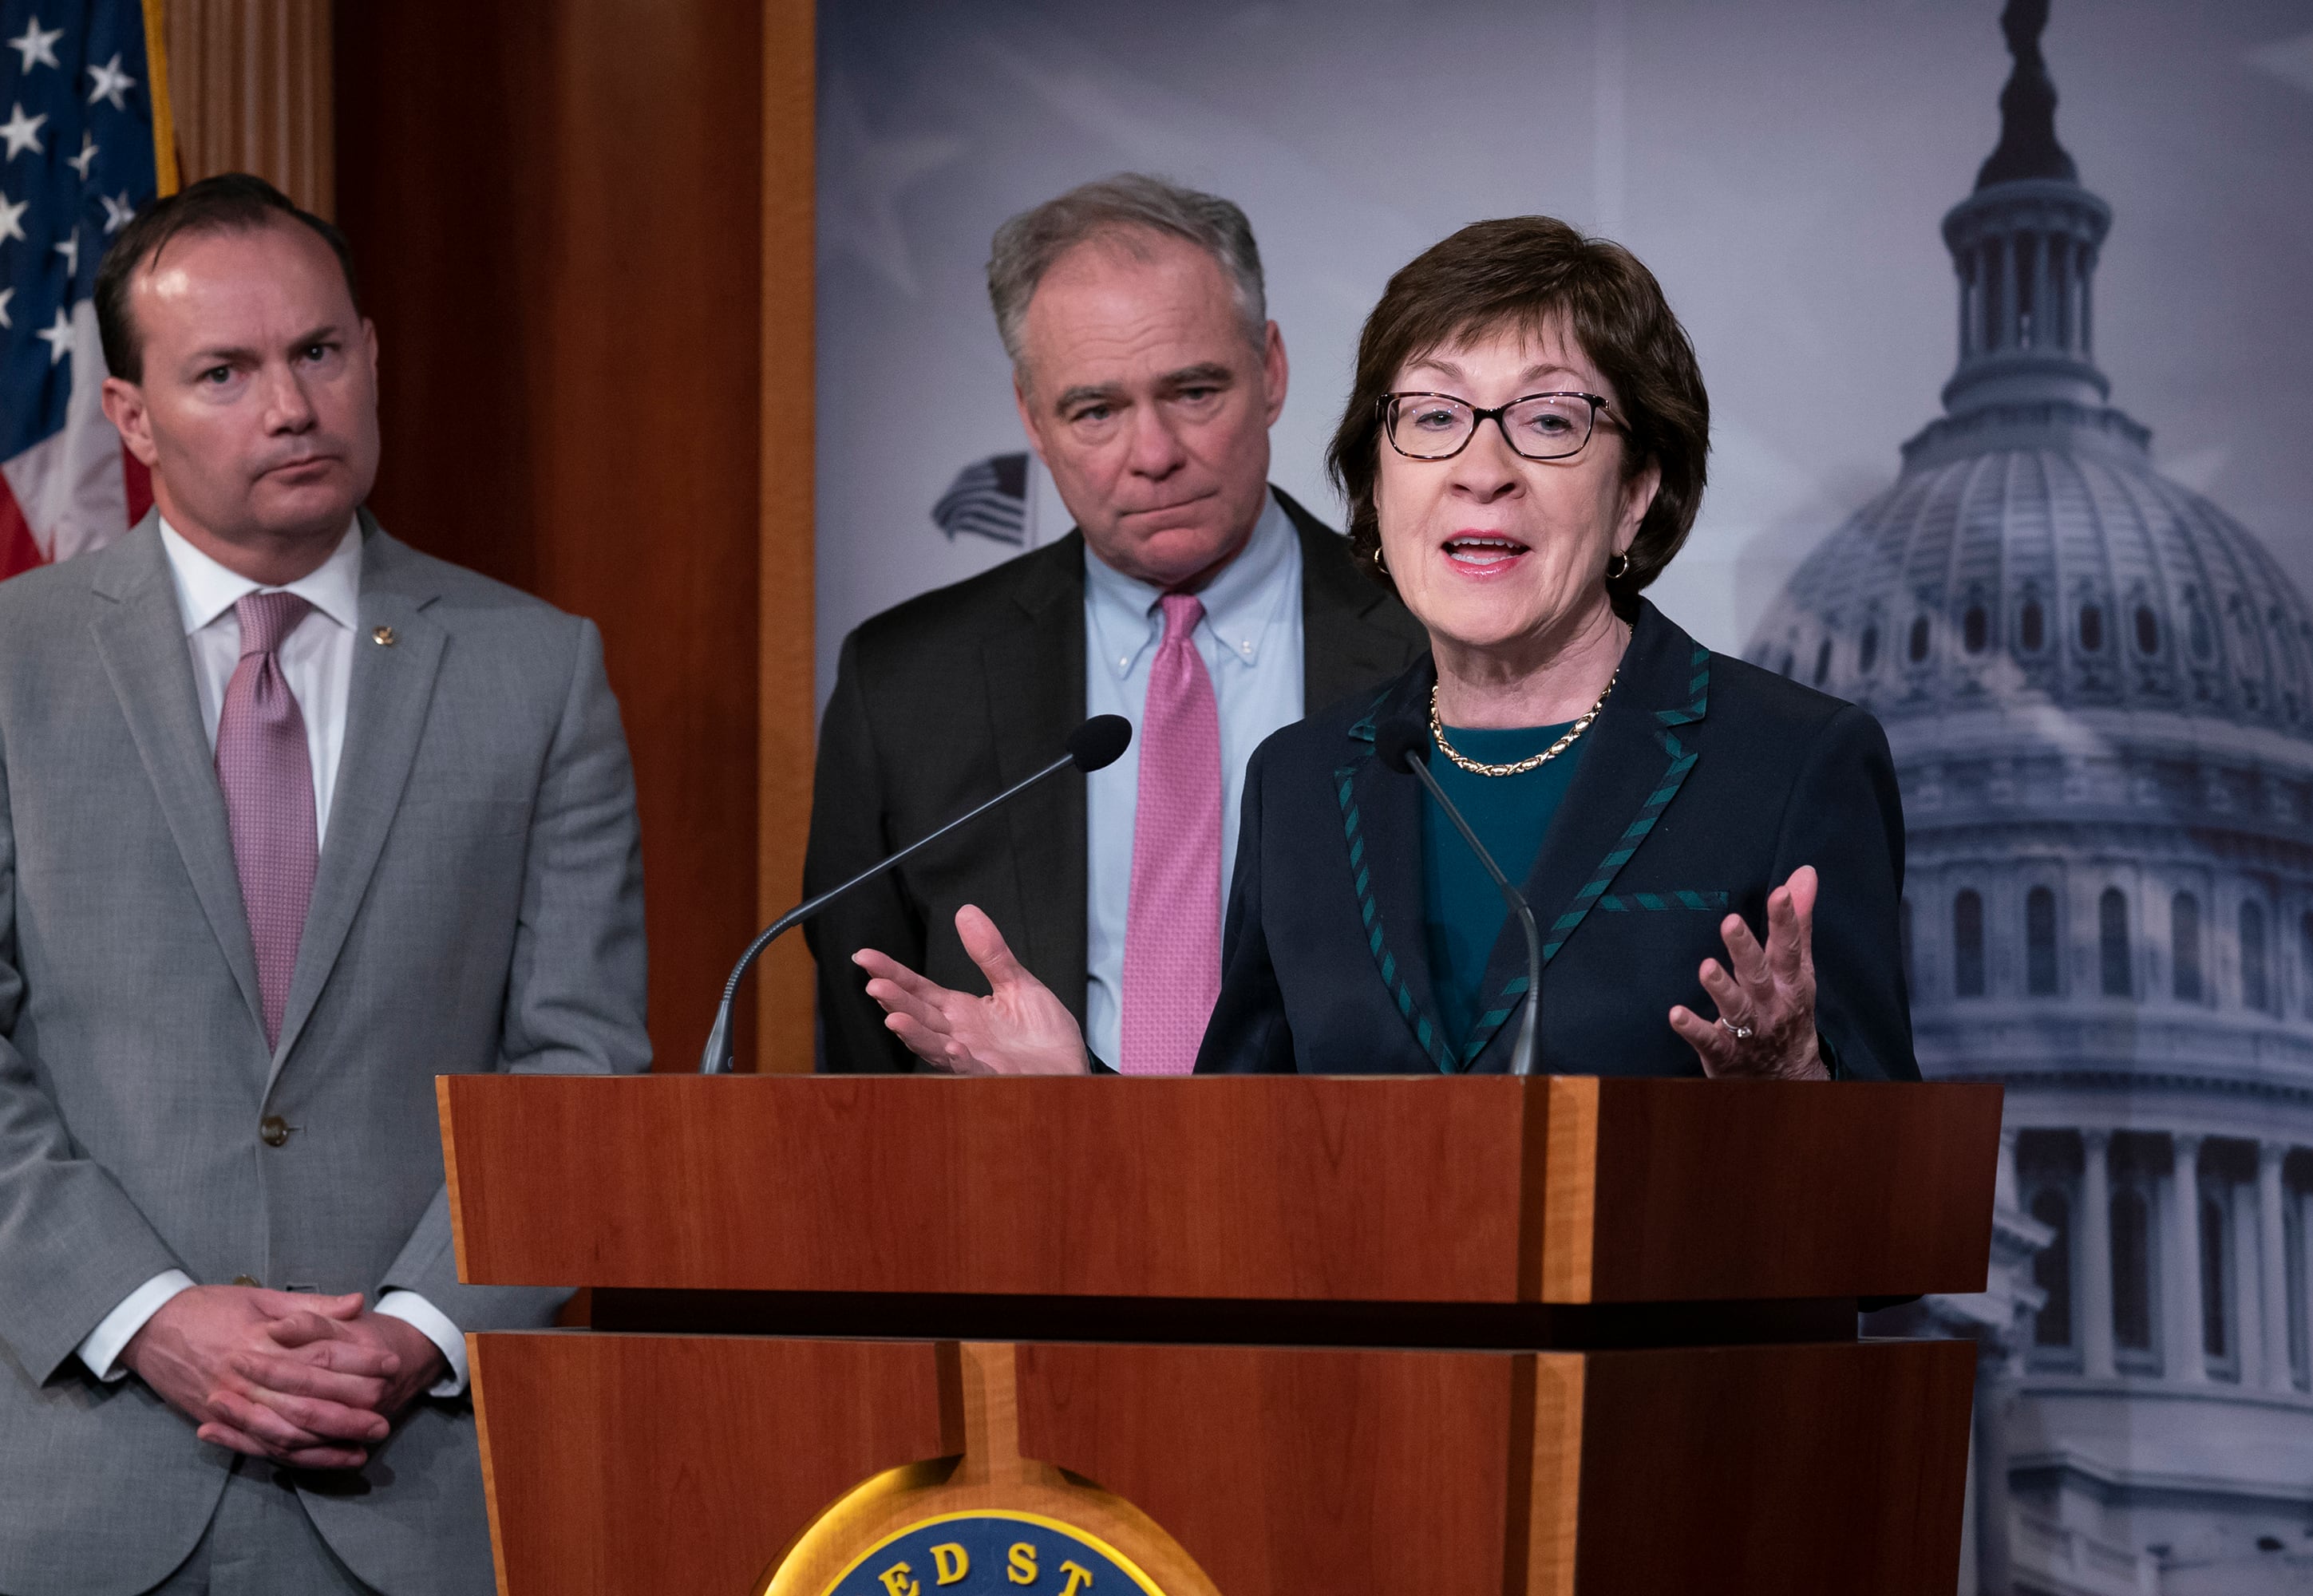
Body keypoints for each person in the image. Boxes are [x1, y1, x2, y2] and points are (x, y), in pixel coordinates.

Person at [851, 217, 1918, 1083]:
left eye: (1548, 422)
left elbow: (1887, 1233)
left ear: (1638, 490)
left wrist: (1799, 1091)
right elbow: (1242, 1182)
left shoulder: (1788, 764)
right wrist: (1072, 1099)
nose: (1481, 469)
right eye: (1434, 417)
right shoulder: (1307, 783)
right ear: (1377, 482)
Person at [0, 175, 648, 1595]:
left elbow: (581, 1061)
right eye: (223, 372)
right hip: (76, 1486)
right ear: (129, 418)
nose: (291, 406)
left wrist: (416, 1329)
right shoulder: (12, 664)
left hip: (421, 1486)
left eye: (318, 353)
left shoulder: (540, 671)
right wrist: (151, 1315)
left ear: (371, 354)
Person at [804, 174, 1423, 1076]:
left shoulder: (1438, 647)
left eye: (1196, 391)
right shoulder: (904, 685)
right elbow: (868, 1065)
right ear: (1032, 417)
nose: (1155, 454)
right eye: (1096, 410)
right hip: (1014, 1199)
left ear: (1272, 370)